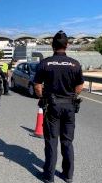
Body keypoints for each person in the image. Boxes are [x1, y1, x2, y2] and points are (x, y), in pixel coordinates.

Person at [34, 31, 84, 183]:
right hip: (69, 106)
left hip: (52, 106)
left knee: (51, 141)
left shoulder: (45, 63)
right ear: (67, 45)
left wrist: (42, 97)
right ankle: (68, 175)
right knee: (67, 142)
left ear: (52, 45)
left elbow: (37, 86)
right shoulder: (75, 64)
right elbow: (80, 86)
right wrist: (70, 95)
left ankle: (49, 176)